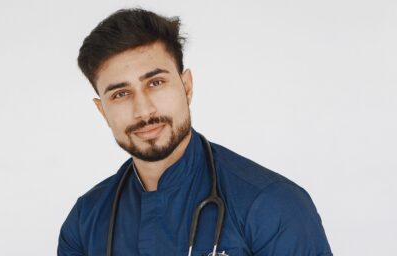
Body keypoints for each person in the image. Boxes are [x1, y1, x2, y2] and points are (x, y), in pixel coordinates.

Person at [57, 8, 332, 256]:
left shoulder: (272, 205)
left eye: (155, 83)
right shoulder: (85, 221)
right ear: (103, 111)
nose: (144, 110)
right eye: (121, 94)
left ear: (186, 86)